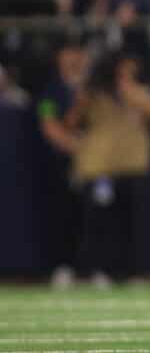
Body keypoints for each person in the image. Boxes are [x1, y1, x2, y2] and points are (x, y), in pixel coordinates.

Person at [65, 54, 150, 286]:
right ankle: (94, 270)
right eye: (123, 71)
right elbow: (71, 121)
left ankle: (135, 273)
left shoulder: (140, 91)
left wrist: (128, 91)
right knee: (98, 222)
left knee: (134, 225)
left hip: (134, 165)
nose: (127, 74)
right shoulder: (93, 92)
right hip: (101, 168)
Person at [37, 35, 89, 288]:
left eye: (78, 52)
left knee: (93, 217)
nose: (74, 58)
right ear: (59, 57)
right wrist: (74, 147)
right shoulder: (51, 91)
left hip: (93, 164)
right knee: (63, 215)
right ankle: (63, 266)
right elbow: (49, 125)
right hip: (63, 163)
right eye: (69, 52)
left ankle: (92, 267)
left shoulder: (92, 88)